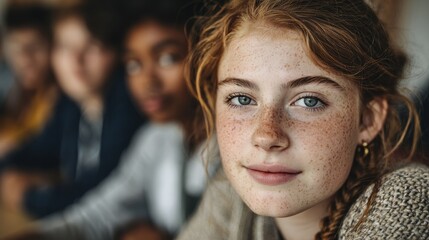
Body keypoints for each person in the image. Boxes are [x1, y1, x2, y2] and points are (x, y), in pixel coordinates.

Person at [178, 0, 429, 239]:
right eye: (242, 99)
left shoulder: (407, 197)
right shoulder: (228, 192)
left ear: (367, 120)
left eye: (309, 101)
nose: (266, 136)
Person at [2, 0, 210, 239]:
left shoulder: (227, 149)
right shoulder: (156, 138)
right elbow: (99, 214)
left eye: (168, 58)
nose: (148, 82)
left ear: (205, 55)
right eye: (134, 64)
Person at [0, 1, 143, 218]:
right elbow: (35, 151)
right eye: (65, 47)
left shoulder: (128, 107)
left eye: (92, 45)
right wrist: (9, 171)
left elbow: (99, 192)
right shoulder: (70, 105)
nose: (76, 60)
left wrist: (29, 197)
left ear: (117, 53)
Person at [0, 2, 57, 156]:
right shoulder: (8, 91)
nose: (25, 59)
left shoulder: (60, 100)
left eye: (35, 47)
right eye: (16, 48)